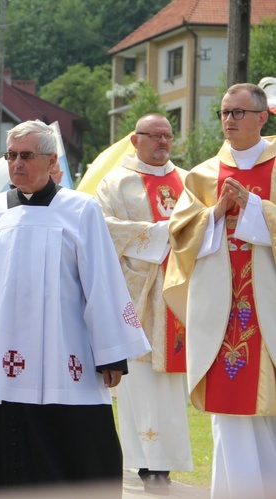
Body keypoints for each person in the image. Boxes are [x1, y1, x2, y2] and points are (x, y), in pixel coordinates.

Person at [0, 120, 150, 497]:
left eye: (26, 156)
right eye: (11, 155)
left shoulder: (80, 209)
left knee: (74, 459)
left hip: (66, 359)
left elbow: (104, 282)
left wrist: (112, 356)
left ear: (51, 160)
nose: (17, 163)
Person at [163, 83, 276, 498]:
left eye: (239, 113)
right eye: (224, 113)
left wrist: (256, 208)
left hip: (270, 309)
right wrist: (217, 214)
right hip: (222, 312)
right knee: (229, 412)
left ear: (263, 117)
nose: (229, 120)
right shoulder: (204, 174)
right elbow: (180, 234)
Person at [96, 114, 193, 494]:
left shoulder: (188, 179)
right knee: (141, 381)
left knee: (171, 383)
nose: (162, 142)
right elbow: (105, 229)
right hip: (138, 293)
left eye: (167, 135)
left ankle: (166, 462)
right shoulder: (115, 182)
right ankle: (142, 461)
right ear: (135, 140)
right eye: (154, 136)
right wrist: (161, 234)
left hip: (180, 293)